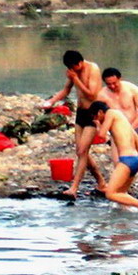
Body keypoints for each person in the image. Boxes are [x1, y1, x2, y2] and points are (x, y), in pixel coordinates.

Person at [42, 50, 106, 198]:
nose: (72, 70)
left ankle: (74, 188)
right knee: (80, 151)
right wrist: (51, 101)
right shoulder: (73, 71)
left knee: (82, 151)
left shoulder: (92, 69)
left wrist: (76, 79)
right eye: (70, 68)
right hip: (80, 113)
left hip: (93, 113)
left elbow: (92, 94)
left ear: (80, 63)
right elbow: (66, 90)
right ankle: (101, 182)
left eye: (74, 67)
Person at [97, 67, 138, 203]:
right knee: (120, 166)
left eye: (115, 83)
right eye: (109, 84)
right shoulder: (102, 95)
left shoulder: (131, 89)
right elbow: (101, 117)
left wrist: (130, 127)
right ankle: (123, 198)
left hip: (136, 128)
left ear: (120, 79)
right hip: (117, 135)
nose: (112, 86)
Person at [89, 100, 138, 210]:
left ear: (100, 112)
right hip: (135, 159)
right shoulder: (121, 118)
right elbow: (137, 139)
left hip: (127, 160)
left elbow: (102, 135)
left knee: (110, 194)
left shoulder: (110, 113)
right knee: (121, 195)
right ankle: (123, 224)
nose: (96, 119)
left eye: (95, 116)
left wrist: (97, 125)